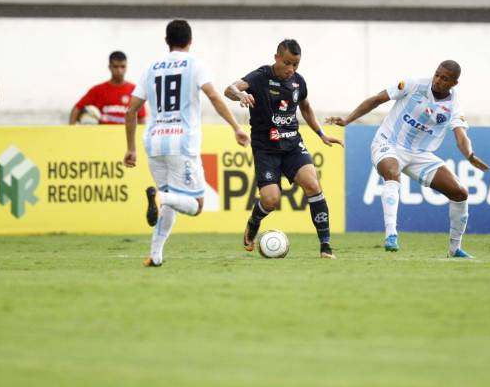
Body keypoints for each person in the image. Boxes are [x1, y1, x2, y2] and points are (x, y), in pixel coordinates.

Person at [326, 61, 490, 257]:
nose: (437, 80)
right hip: (388, 142)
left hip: (420, 154)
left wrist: (469, 155)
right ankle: (391, 235)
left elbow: (461, 136)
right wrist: (347, 120)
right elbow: (377, 99)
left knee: (460, 192)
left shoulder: (454, 106)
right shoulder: (414, 85)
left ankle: (454, 249)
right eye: (437, 74)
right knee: (392, 173)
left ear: (454, 83)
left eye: (444, 78)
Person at [123, 20, 250, 267]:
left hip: (154, 144)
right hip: (182, 144)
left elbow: (131, 111)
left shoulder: (151, 67)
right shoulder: (196, 64)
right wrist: (236, 127)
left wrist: (130, 148)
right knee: (196, 205)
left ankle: (155, 255)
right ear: (190, 41)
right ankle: (161, 197)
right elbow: (213, 95)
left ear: (166, 41)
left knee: (169, 201)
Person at [225, 39, 344, 259]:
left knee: (313, 185)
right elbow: (229, 89)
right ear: (277, 57)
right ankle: (254, 222)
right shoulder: (260, 76)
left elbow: (306, 107)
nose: (291, 69)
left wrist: (321, 134)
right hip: (266, 149)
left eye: (295, 65)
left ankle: (325, 247)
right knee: (271, 200)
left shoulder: (298, 82)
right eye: (287, 63)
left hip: (292, 144)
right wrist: (241, 94)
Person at [68, 51, 146, 125]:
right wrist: (72, 132)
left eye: (122, 66)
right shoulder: (98, 90)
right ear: (110, 67)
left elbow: (141, 119)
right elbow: (76, 109)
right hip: (102, 136)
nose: (119, 70)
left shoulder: (135, 90)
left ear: (126, 67)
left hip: (125, 136)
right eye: (116, 67)